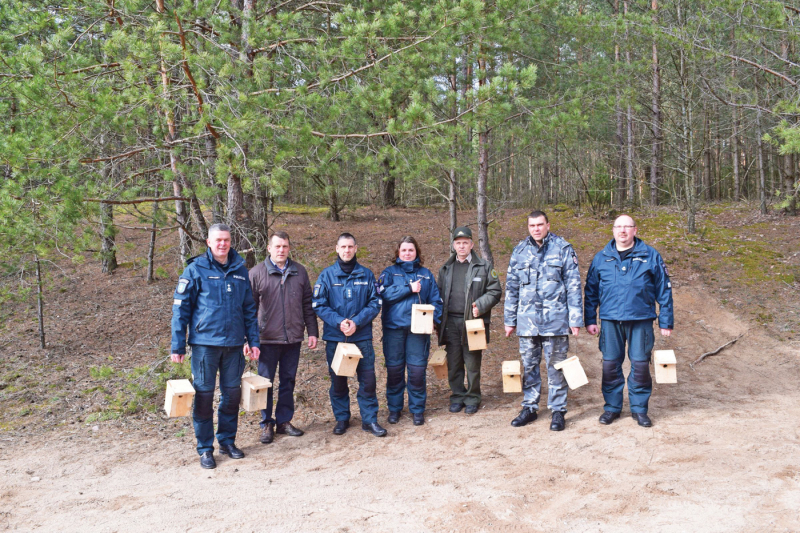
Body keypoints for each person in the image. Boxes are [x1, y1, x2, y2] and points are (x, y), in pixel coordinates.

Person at [170, 223, 260, 469]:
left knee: (231, 396)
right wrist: (177, 346)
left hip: (233, 346)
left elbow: (249, 310)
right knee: (204, 396)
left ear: (231, 242)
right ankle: (205, 449)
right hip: (204, 346)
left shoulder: (241, 271)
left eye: (226, 240)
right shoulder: (194, 270)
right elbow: (180, 311)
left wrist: (253, 341)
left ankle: (227, 442)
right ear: (208, 242)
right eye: (218, 240)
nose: (223, 244)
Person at [584, 215, 674, 428]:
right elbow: (590, 292)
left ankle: (639, 409)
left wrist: (666, 321)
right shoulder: (601, 258)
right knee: (610, 365)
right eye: (618, 227)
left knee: (641, 365)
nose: (622, 231)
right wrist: (590, 319)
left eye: (627, 226)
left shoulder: (650, 255)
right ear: (613, 230)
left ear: (635, 230)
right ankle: (612, 408)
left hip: (640, 319)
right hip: (610, 320)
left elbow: (664, 290)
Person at [504, 210, 583, 431]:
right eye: (532, 226)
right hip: (527, 322)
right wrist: (509, 320)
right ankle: (529, 407)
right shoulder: (519, 251)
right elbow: (511, 288)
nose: (536, 229)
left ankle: (558, 411)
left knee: (557, 367)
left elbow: (574, 286)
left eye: (540, 225)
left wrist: (575, 319)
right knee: (529, 366)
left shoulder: (563, 249)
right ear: (528, 227)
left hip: (555, 321)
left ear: (548, 225)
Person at [248, 231, 319, 445]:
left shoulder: (300, 272)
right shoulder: (256, 273)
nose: (281, 250)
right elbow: (248, 310)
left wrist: (312, 331)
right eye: (277, 246)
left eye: (285, 246)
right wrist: (248, 339)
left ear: (289, 248)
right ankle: (266, 423)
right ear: (269, 248)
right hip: (266, 340)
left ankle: (284, 421)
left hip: (292, 338)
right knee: (265, 383)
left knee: (288, 381)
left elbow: (308, 304)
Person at [312, 233, 386, 437]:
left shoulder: (367, 274)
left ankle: (369, 419)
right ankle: (342, 418)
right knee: (338, 381)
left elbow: (375, 303)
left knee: (368, 380)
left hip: (361, 337)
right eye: (343, 247)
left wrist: (357, 322)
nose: (347, 250)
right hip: (336, 337)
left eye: (350, 247)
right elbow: (318, 304)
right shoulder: (326, 276)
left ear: (356, 248)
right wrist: (339, 321)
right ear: (337, 249)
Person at [436, 227, 502, 414]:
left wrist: (480, 305)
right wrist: (437, 322)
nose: (462, 246)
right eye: (458, 243)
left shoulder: (484, 267)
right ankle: (457, 396)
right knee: (454, 363)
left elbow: (495, 291)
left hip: (473, 322)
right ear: (454, 246)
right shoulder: (446, 269)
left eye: (465, 242)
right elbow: (439, 295)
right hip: (450, 323)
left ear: (472, 244)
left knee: (472, 363)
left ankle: (473, 397)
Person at [378, 236, 443, 426]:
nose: (407, 253)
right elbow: (383, 294)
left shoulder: (426, 274)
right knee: (395, 370)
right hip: (394, 330)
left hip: (418, 331)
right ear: (398, 252)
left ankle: (417, 410)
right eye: (404, 250)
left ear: (417, 252)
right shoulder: (389, 273)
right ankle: (395, 409)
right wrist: (409, 288)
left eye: (411, 250)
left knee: (416, 372)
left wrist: (434, 320)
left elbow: (436, 301)